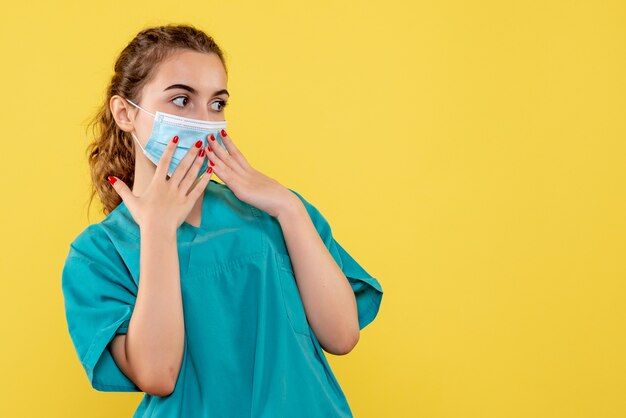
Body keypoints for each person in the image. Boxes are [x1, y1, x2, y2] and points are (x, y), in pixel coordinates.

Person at [61, 23, 384, 417]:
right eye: (181, 100)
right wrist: (159, 232)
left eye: (217, 104)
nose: (204, 120)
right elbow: (158, 374)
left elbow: (342, 335)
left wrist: (288, 208)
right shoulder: (99, 253)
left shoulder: (272, 211)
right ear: (125, 112)